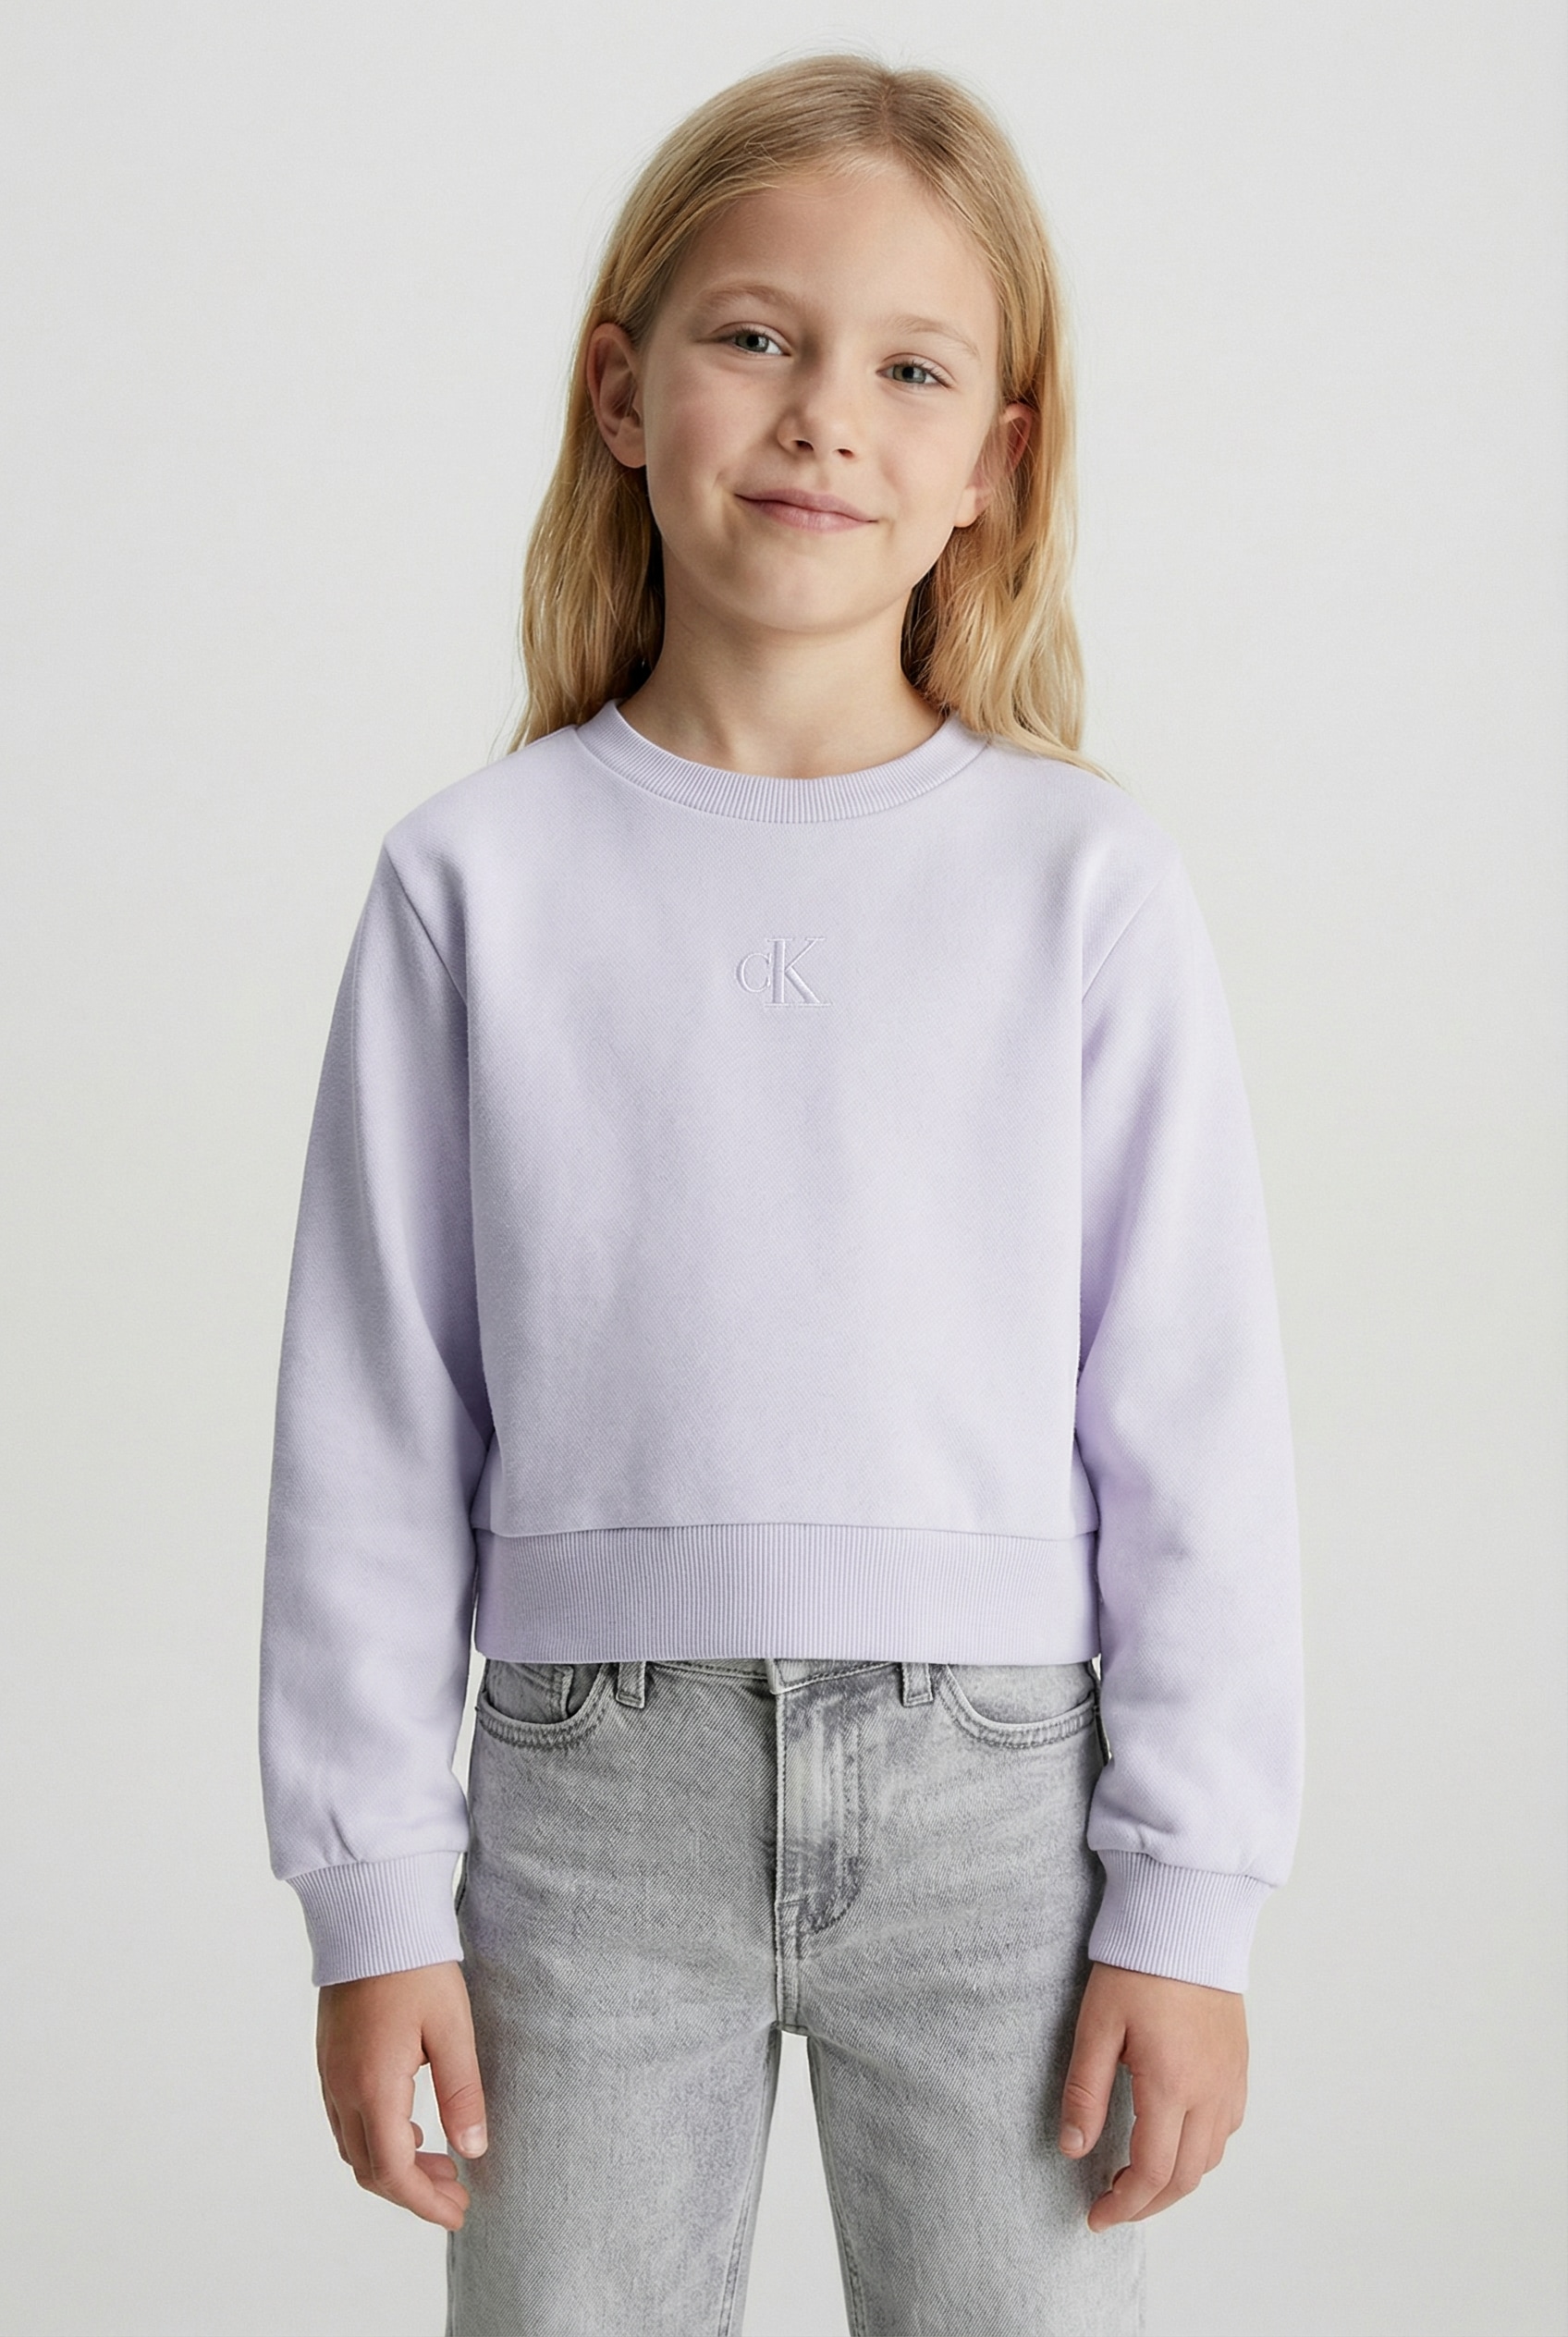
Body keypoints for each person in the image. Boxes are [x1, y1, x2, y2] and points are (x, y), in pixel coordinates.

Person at [259, 50, 1305, 2336]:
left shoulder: (1081, 883)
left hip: (1002, 1811)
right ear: (619, 393)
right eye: (756, 336)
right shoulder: (474, 880)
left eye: (908, 369)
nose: (825, 414)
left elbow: (1188, 1419)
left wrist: (1188, 1904)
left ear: (990, 463)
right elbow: (372, 1422)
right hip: (580, 1817)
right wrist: (373, 1898)